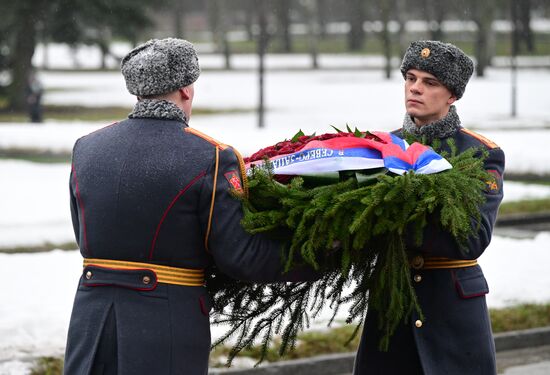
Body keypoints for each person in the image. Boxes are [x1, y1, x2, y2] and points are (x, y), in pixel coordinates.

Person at [63, 38, 300, 375]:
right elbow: (240, 256)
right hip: (166, 325)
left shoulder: (87, 148)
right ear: (187, 90)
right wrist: (321, 254)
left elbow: (86, 234)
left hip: (91, 323)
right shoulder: (211, 156)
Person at [353, 41, 505, 374]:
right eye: (410, 78)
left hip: (453, 314)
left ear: (452, 95)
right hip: (392, 312)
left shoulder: (480, 154)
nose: (415, 88)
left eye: (429, 82)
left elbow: (472, 237)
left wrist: (395, 218)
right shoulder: (379, 148)